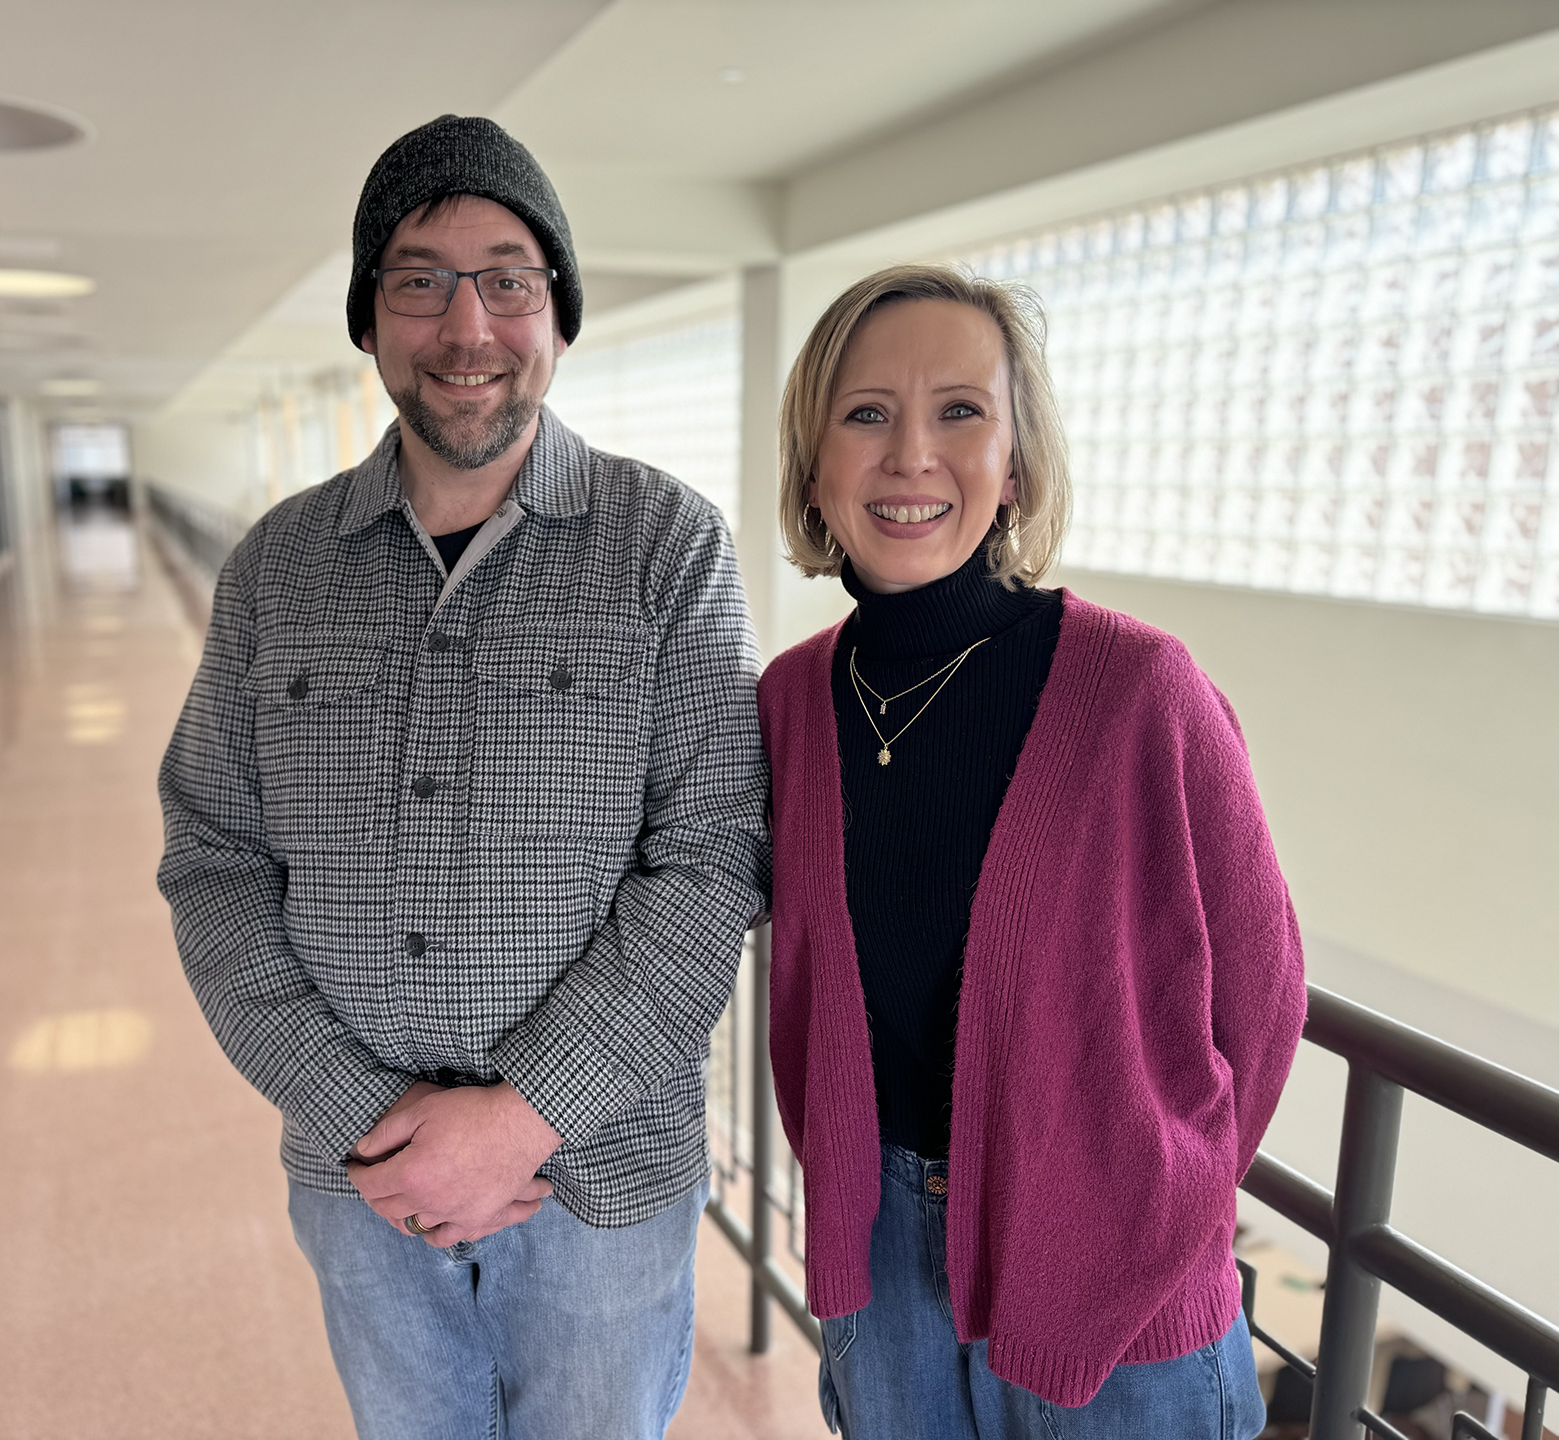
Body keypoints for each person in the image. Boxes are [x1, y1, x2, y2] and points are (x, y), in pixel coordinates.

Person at [156, 114, 767, 1440]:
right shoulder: (277, 570)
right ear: (371, 322)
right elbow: (213, 863)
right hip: (359, 1187)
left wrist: (521, 1116)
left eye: (509, 277)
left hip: (603, 1181)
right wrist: (362, 1114)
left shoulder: (665, 546)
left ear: (560, 313)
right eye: (419, 279)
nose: (467, 325)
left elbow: (714, 856)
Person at [756, 263, 1305, 1439]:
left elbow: (1263, 993)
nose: (912, 455)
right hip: (881, 1257)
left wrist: (1158, 1205)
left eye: (962, 411)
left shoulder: (1138, 689)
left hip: (1114, 1260)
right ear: (816, 467)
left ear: (1016, 463)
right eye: (867, 413)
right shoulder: (793, 704)